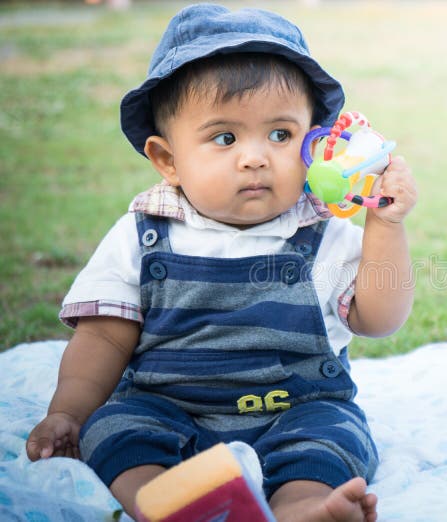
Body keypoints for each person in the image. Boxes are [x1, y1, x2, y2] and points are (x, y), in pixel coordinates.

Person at [25, 4, 416, 521]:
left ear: (315, 145)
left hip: (296, 409)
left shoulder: (321, 234)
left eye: (280, 135)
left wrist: (386, 228)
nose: (255, 157)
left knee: (331, 438)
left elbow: (381, 320)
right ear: (168, 160)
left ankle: (305, 507)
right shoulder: (142, 235)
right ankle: (165, 502)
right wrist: (68, 413)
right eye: (224, 138)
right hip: (168, 407)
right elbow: (102, 337)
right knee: (115, 428)